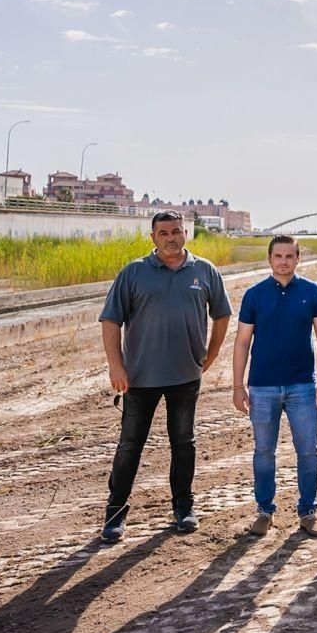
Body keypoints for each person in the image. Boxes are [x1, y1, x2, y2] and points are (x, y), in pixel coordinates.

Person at [99, 210, 232, 543]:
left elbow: (222, 315)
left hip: (185, 377)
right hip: (139, 378)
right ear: (153, 238)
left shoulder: (204, 271)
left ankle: (183, 509)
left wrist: (211, 354)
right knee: (130, 446)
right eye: (163, 233)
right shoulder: (134, 273)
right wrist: (116, 366)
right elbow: (110, 321)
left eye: (176, 231)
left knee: (183, 444)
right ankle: (115, 514)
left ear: (186, 232)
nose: (171, 238)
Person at [232, 235, 317, 538]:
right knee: (264, 452)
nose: (284, 261)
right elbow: (241, 342)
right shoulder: (254, 295)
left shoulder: (312, 292)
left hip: (302, 385)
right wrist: (238, 385)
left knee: (308, 452)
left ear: (298, 258)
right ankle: (265, 512)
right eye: (278, 256)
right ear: (269, 259)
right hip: (262, 387)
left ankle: (308, 512)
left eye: (290, 256)